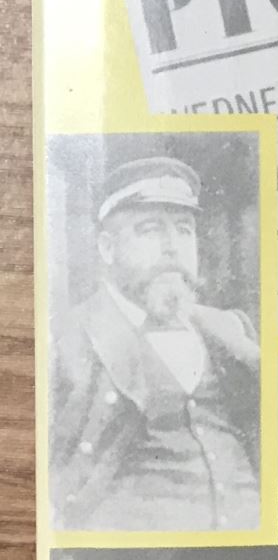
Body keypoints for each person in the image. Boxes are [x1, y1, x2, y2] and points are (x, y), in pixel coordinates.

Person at [50, 154, 261, 532]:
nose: (172, 247)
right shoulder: (65, 340)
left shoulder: (231, 330)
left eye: (184, 229)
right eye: (150, 230)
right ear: (108, 248)